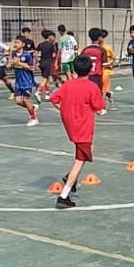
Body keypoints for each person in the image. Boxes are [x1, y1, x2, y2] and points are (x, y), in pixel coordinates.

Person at [49, 56, 106, 209]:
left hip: (71, 125)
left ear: (74, 69)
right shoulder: (91, 87)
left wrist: (64, 110)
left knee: (88, 151)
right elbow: (99, 106)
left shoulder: (68, 84)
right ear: (91, 70)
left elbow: (53, 98)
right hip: (83, 126)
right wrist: (100, 111)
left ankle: (70, 178)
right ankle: (64, 195)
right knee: (80, 159)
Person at [11, 36, 40, 126]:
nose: (16, 44)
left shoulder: (27, 55)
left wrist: (19, 63)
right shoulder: (14, 53)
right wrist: (12, 63)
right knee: (18, 101)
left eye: (18, 42)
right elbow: (13, 64)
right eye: (15, 42)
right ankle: (32, 108)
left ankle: (34, 119)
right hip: (18, 81)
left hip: (27, 81)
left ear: (23, 44)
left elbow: (31, 68)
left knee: (26, 99)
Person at [80, 28, 108, 92]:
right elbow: (104, 65)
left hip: (86, 76)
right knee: (96, 95)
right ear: (99, 38)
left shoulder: (85, 50)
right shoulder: (102, 50)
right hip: (96, 77)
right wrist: (111, 63)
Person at [37, 30, 59, 95]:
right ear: (49, 36)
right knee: (45, 78)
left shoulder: (40, 45)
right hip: (48, 63)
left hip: (42, 63)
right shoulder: (51, 45)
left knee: (46, 78)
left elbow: (37, 54)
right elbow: (54, 55)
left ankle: (47, 93)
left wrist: (37, 63)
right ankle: (39, 91)